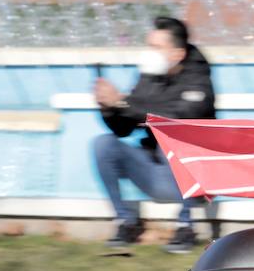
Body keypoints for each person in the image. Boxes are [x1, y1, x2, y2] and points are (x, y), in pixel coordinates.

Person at [92, 16, 216, 253]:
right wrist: (110, 107)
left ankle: (185, 227)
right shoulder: (149, 75)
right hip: (155, 172)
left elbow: (181, 116)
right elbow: (123, 128)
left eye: (156, 48)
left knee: (177, 137)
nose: (149, 53)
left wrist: (124, 104)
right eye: (149, 46)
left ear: (177, 54)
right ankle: (125, 222)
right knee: (104, 144)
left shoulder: (198, 77)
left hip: (194, 181)